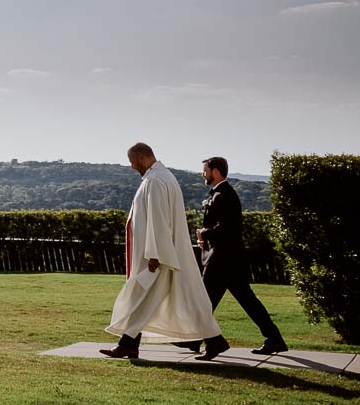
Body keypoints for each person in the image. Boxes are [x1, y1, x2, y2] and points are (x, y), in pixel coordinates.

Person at [102, 143, 228, 360]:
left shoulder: (156, 181)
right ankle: (215, 341)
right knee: (180, 297)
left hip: (158, 256)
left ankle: (128, 345)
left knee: (148, 298)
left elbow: (158, 220)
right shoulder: (160, 178)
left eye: (132, 162)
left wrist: (155, 254)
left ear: (142, 158)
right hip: (164, 253)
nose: (132, 167)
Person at [188, 157, 289, 356]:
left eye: (205, 170)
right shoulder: (221, 193)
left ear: (215, 172)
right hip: (229, 259)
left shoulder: (224, 195)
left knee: (203, 300)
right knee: (246, 301)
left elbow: (228, 228)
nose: (203, 174)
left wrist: (204, 233)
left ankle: (201, 341)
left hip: (221, 260)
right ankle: (274, 339)